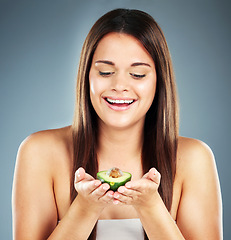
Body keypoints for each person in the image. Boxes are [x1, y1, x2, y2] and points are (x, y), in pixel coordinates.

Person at [12, 8, 222, 240]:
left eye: (138, 75)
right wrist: (85, 208)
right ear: (86, 76)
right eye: (106, 72)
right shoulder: (39, 152)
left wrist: (151, 207)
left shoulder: (194, 159)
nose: (119, 85)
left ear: (159, 81)